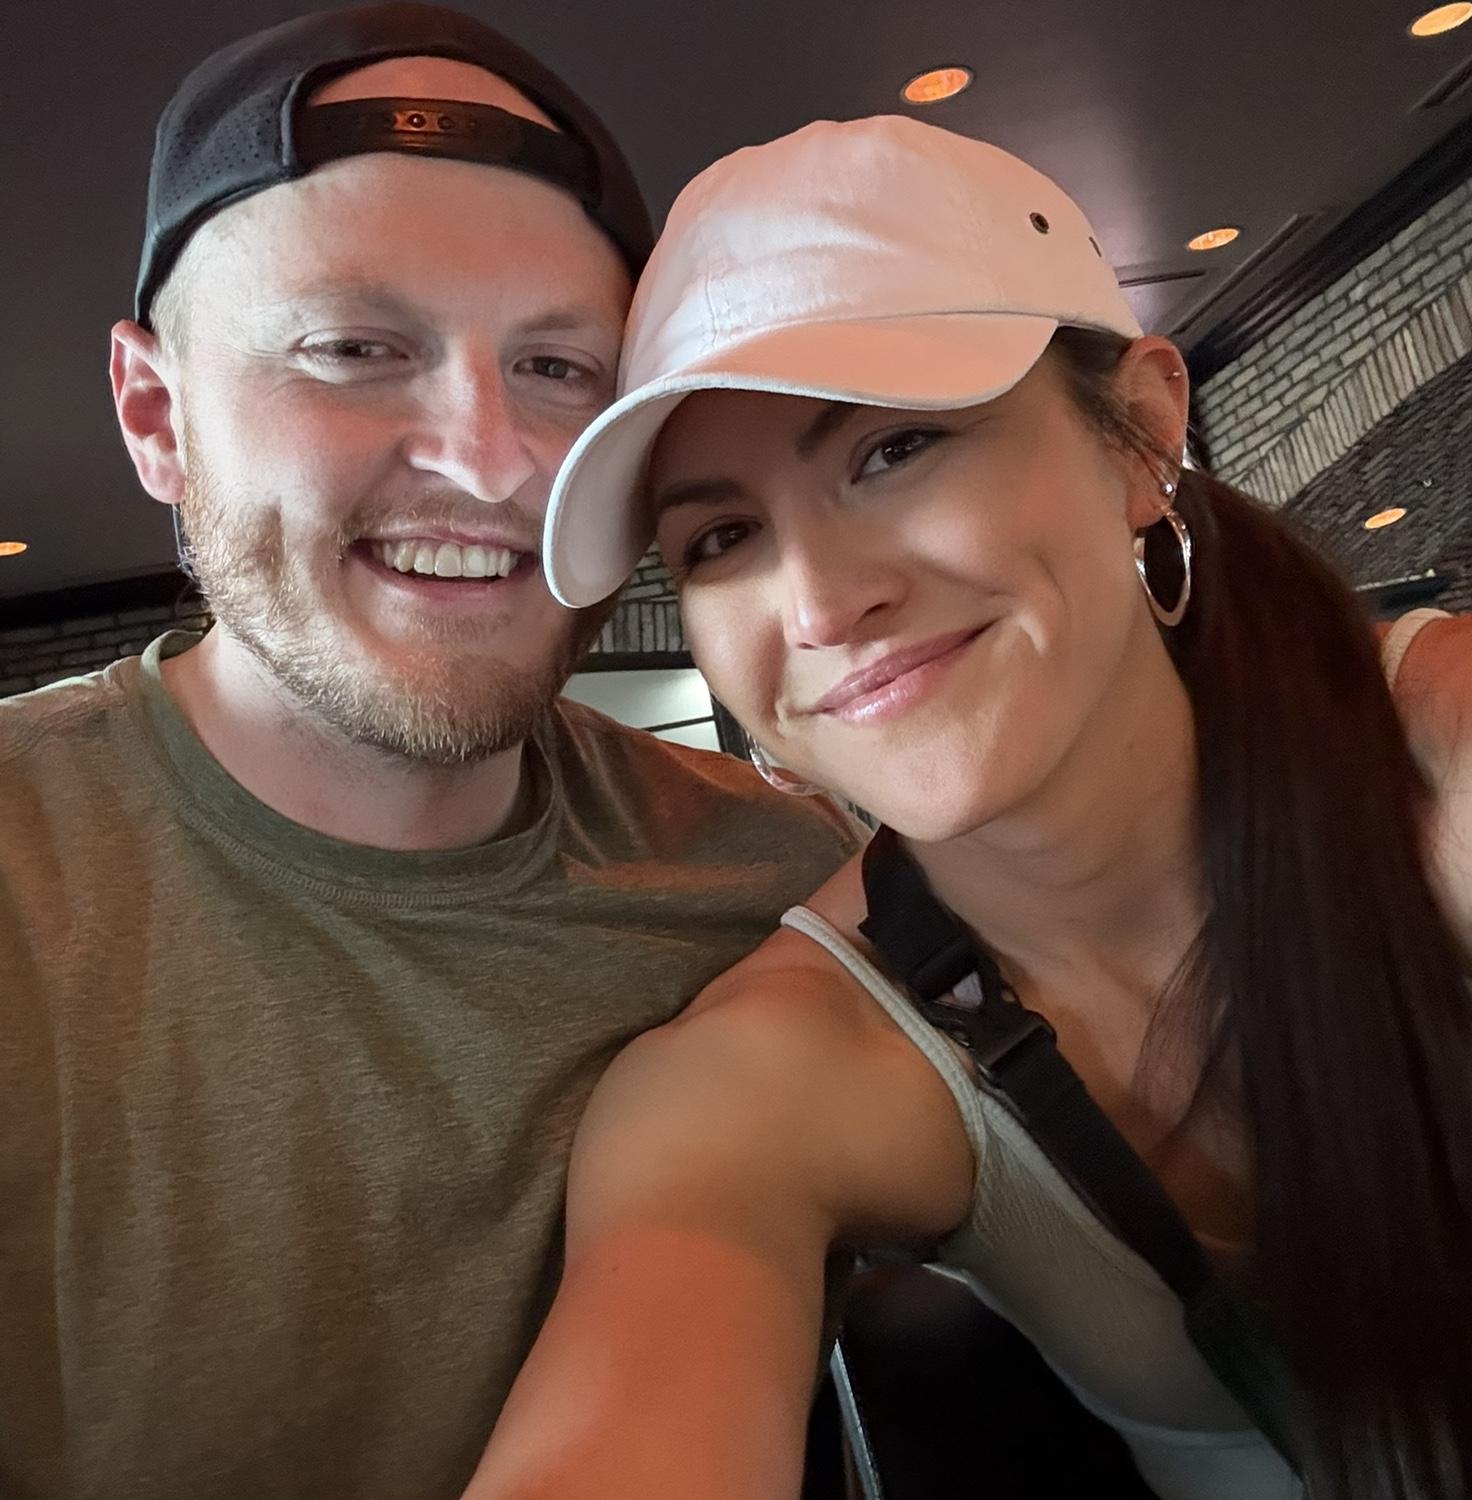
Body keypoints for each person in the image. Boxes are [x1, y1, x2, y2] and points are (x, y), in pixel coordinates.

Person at [471, 117, 1472, 1499]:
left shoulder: (1454, 753)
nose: (820, 604)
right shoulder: (770, 1070)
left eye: (894, 449)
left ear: (1141, 434)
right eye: (721, 537)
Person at [0, 9, 863, 1498]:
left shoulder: (786, 890)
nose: (488, 458)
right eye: (353, 349)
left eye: (559, 366)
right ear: (156, 416)